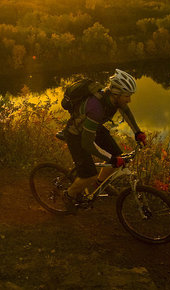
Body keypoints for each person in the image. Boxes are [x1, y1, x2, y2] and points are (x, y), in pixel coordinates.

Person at [61, 69, 147, 212]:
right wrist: (111, 158)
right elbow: (87, 144)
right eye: (127, 96)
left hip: (95, 128)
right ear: (116, 93)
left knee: (119, 158)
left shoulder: (113, 99)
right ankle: (68, 196)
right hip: (76, 135)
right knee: (88, 175)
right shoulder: (96, 108)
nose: (129, 100)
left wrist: (137, 132)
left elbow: (125, 110)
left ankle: (98, 184)